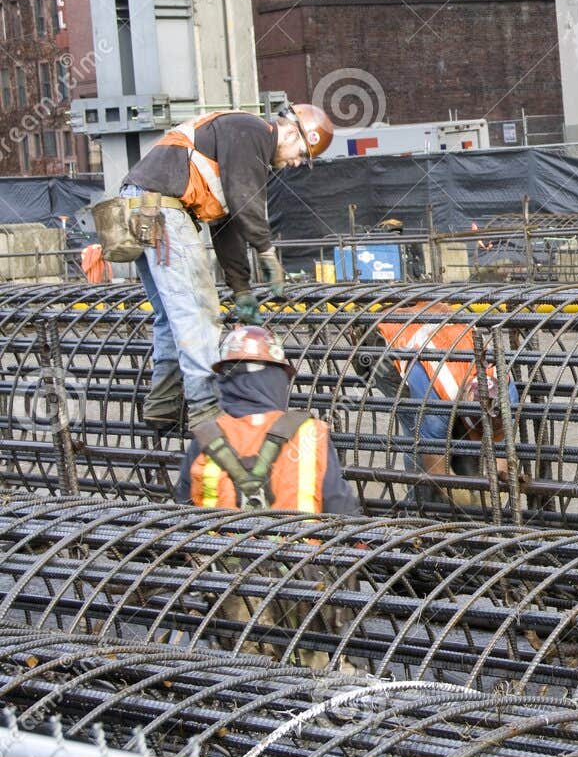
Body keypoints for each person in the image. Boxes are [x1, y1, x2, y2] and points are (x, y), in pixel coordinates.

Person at [122, 102, 333, 428]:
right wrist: (266, 251)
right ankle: (207, 414)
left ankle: (163, 405)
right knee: (198, 313)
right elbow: (245, 201)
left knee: (170, 314)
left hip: (142, 206)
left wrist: (241, 290)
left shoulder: (241, 143)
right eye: (302, 153)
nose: (296, 162)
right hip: (162, 210)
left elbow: (227, 224)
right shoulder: (252, 131)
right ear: (291, 131)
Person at [175, 324, 359, 514]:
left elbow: (182, 508)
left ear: (225, 379)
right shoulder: (310, 434)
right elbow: (340, 507)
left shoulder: (206, 437)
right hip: (300, 544)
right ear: (277, 378)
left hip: (216, 544)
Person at [371, 304, 515, 505]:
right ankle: (419, 510)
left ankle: (460, 506)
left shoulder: (505, 391)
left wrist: (499, 488)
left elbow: (501, 454)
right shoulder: (436, 400)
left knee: (458, 445)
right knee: (419, 442)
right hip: (382, 344)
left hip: (434, 324)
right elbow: (436, 471)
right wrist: (469, 503)